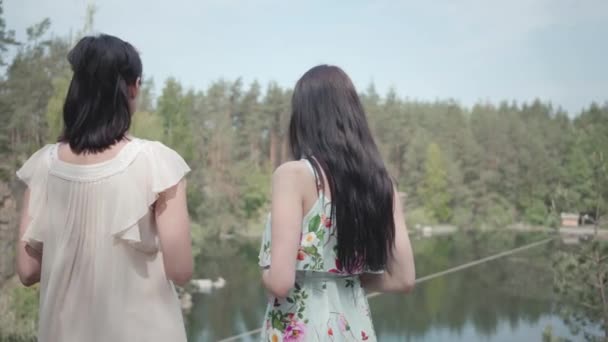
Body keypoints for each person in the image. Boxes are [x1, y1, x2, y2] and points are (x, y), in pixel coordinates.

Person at [15, 34, 192, 342]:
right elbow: (181, 270)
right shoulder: (156, 162)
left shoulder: (43, 165)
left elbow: (27, 270)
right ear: (133, 87)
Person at [258, 65, 416, 341]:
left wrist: (264, 275)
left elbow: (281, 283)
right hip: (355, 329)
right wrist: (348, 281)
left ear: (303, 118)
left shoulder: (293, 176)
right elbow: (404, 279)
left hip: (302, 328)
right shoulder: (382, 184)